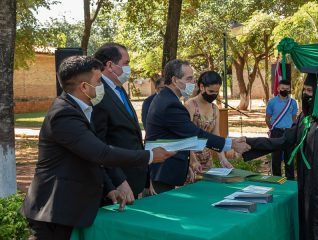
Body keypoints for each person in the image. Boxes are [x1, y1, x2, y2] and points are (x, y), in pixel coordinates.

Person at [20, 56, 174, 240]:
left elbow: (88, 158)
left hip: (69, 209)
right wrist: (149, 156)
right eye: (99, 81)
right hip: (54, 210)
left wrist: (110, 188)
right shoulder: (64, 114)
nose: (102, 86)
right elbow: (101, 153)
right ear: (84, 87)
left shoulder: (80, 109)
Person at [243, 67, 318, 240]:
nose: (306, 95)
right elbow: (283, 141)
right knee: (307, 228)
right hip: (307, 186)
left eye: (310, 90)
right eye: (305, 90)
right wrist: (247, 142)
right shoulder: (305, 118)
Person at [145, 59, 251, 193]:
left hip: (170, 168)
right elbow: (194, 134)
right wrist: (229, 144)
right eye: (189, 79)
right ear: (174, 80)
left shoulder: (166, 98)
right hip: (164, 171)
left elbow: (179, 138)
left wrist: (186, 164)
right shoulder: (170, 104)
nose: (193, 83)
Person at [92, 43, 152, 201]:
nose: (128, 68)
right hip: (118, 185)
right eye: (126, 63)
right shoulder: (98, 93)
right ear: (110, 65)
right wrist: (117, 181)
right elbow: (100, 145)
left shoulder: (118, 88)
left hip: (133, 177)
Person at [184, 71, 233, 181]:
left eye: (216, 92)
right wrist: (192, 160)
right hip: (189, 158)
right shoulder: (190, 105)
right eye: (211, 91)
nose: (214, 95)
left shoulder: (215, 109)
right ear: (202, 87)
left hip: (207, 158)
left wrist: (223, 159)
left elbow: (216, 135)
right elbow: (186, 136)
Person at [265, 80, 298, 179]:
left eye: (287, 89)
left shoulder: (293, 102)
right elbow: (267, 118)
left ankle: (290, 181)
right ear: (278, 89)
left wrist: (292, 129)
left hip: (289, 132)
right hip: (276, 132)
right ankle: (277, 181)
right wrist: (272, 129)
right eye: (283, 89)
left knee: (289, 159)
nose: (285, 90)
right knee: (276, 159)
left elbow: (294, 118)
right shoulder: (272, 102)